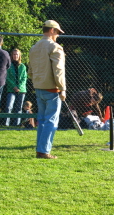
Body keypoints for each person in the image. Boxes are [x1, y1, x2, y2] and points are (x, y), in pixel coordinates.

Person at [28, 20, 66, 159]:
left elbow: (30, 70)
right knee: (51, 121)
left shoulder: (34, 47)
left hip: (39, 88)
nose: (58, 35)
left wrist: (37, 82)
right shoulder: (55, 47)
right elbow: (59, 70)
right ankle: (44, 151)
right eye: (57, 32)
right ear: (51, 30)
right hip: (52, 90)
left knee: (42, 120)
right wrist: (62, 89)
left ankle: (40, 150)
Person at [5, 48, 28, 126]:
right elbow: (7, 78)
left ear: (19, 56)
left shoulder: (23, 66)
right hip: (11, 89)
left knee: (19, 108)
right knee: (9, 106)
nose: (15, 56)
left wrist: (19, 87)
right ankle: (6, 124)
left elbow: (24, 78)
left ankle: (17, 124)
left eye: (17, 54)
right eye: (14, 54)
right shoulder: (9, 66)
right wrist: (14, 87)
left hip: (21, 90)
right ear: (12, 56)